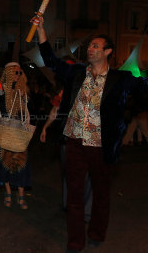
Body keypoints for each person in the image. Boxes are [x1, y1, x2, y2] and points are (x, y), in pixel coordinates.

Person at [34, 15, 148, 252]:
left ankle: (96, 232)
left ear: (108, 51)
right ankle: (75, 242)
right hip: (74, 143)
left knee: (101, 194)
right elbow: (51, 60)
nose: (90, 49)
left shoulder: (121, 79)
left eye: (96, 46)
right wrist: (41, 31)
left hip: (101, 146)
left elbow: (144, 92)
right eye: (90, 46)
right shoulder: (76, 73)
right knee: (74, 197)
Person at [40, 89, 92, 222]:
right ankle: (69, 205)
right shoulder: (65, 91)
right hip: (68, 139)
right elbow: (54, 111)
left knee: (87, 175)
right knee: (68, 173)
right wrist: (45, 127)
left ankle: (85, 211)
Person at [0, 62, 32, 209]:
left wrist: (23, 97)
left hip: (19, 130)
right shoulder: (1, 89)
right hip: (4, 129)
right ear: (8, 73)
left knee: (22, 161)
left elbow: (29, 111)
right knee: (5, 161)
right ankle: (8, 192)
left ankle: (21, 193)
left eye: (20, 73)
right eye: (15, 72)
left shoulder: (23, 90)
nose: (18, 75)